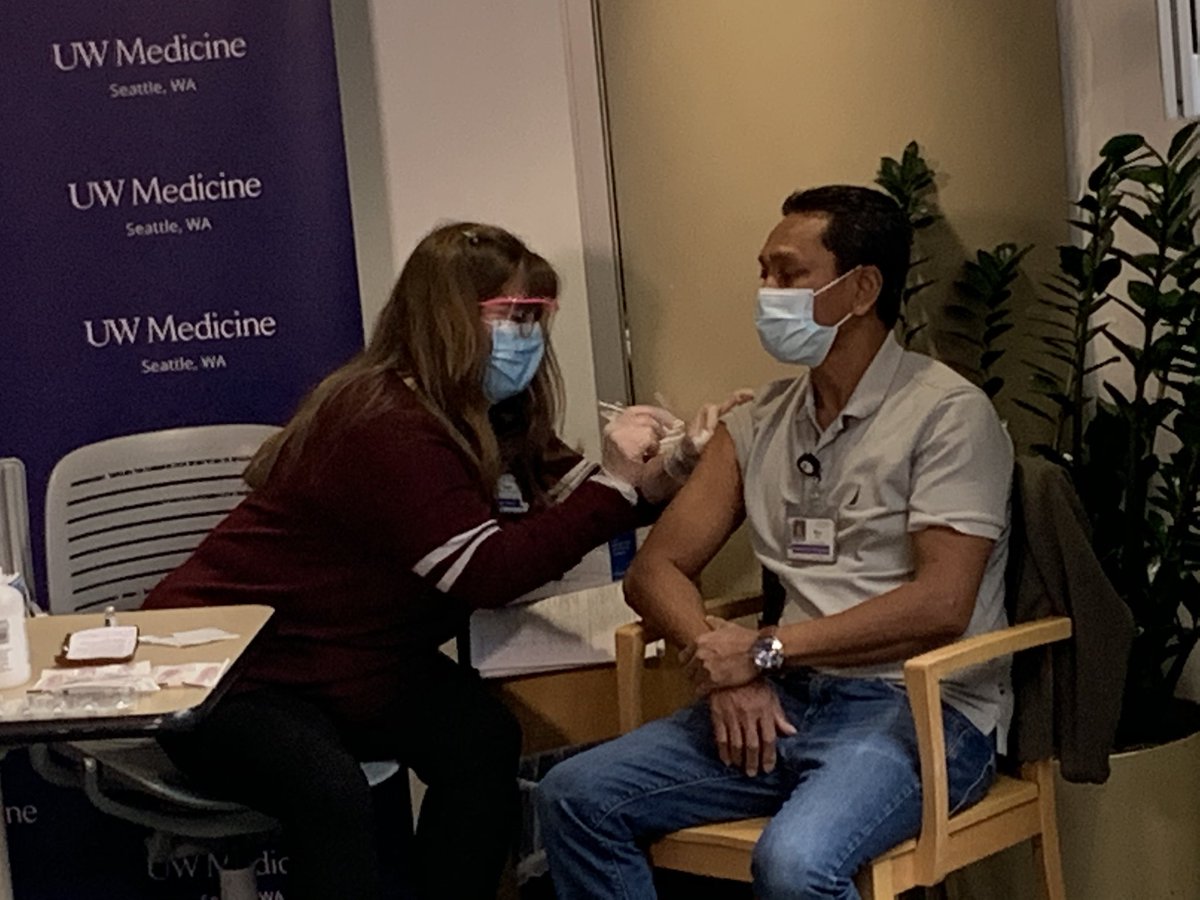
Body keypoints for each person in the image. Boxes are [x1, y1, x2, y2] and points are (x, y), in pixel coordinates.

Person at [142, 222, 737, 900]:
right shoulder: (380, 420)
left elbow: (572, 504)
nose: (530, 337)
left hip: (345, 664)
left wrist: (671, 469)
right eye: (515, 317)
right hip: (229, 671)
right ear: (449, 315)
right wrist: (616, 485)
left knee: (480, 740)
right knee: (330, 793)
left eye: (537, 318)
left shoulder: (484, 412)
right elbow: (489, 571)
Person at [537, 186, 1015, 900]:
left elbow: (942, 604)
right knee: (575, 797)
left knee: (794, 866)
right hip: (781, 697)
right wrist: (732, 670)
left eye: (789, 274)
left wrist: (765, 649)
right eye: (763, 272)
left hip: (918, 709)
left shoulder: (946, 415)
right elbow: (656, 569)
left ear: (862, 289)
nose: (767, 293)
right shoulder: (760, 421)